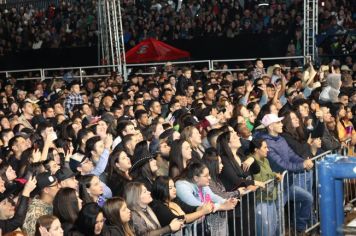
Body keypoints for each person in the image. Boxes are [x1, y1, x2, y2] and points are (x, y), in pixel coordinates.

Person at [258, 113, 314, 232]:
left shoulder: (281, 139)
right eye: (278, 122)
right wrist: (302, 165)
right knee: (278, 218)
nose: (281, 124)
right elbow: (281, 165)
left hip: (287, 184)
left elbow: (292, 155)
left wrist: (304, 162)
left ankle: (299, 228)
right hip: (276, 188)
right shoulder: (267, 143)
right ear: (270, 127)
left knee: (308, 198)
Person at [249, 139, 280, 236]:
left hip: (271, 197)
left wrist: (275, 175)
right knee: (265, 230)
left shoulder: (266, 160)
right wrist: (272, 178)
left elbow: (269, 175)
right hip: (260, 200)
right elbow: (260, 182)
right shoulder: (251, 163)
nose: (268, 150)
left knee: (273, 226)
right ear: (256, 149)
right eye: (265, 147)